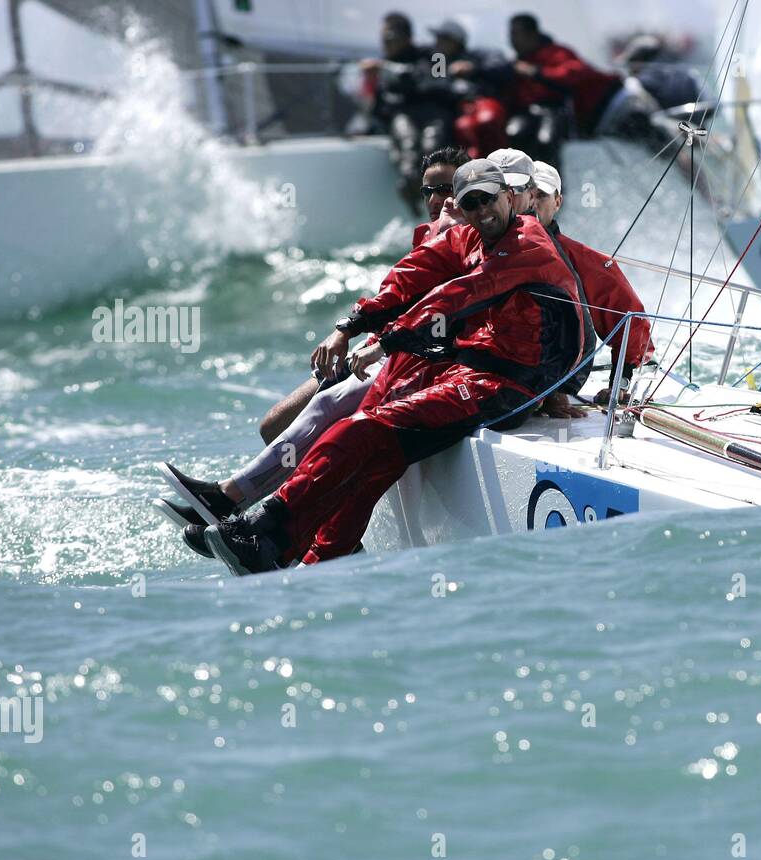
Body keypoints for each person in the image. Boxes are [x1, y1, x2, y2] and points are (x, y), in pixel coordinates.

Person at [185, 159, 589, 574]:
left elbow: (459, 294)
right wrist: (352, 325)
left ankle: (263, 527)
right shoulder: (467, 236)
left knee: (361, 428)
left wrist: (383, 342)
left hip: (511, 387)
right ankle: (308, 558)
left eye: (489, 198)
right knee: (378, 458)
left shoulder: (528, 244)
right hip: (469, 370)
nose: (482, 210)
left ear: (508, 197)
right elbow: (411, 275)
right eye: (470, 203)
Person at [153, 148, 471, 535]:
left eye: (449, 188)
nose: (439, 199)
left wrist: (356, 335)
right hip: (385, 350)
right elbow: (399, 297)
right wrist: (356, 337)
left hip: (423, 362)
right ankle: (256, 518)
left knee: (327, 409)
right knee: (275, 424)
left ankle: (244, 510)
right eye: (430, 191)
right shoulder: (430, 235)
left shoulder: (472, 237)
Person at [528, 160, 653, 415]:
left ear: (558, 202)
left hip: (545, 389)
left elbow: (631, 319)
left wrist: (620, 383)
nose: (532, 202)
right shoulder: (475, 244)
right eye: (526, 194)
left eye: (540, 195)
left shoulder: (583, 259)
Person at [364, 13, 459, 210]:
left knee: (431, 147)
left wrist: (390, 70)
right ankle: (416, 201)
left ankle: (442, 199)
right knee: (408, 151)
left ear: (406, 37)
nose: (386, 44)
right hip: (403, 115)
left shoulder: (433, 55)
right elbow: (380, 106)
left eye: (390, 38)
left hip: (433, 113)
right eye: (383, 40)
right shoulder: (384, 67)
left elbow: (439, 83)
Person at [502, 13, 625, 165]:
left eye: (516, 34)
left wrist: (536, 72)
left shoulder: (557, 52)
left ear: (531, 34)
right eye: (511, 34)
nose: (512, 40)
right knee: (513, 135)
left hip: (558, 111)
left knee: (545, 140)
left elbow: (574, 74)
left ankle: (552, 186)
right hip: (528, 114)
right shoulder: (516, 62)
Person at [431, 20, 511, 157]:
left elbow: (502, 69)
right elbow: (432, 85)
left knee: (487, 119)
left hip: (481, 106)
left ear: (456, 41)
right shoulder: (436, 62)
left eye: (443, 39)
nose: (438, 43)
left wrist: (473, 69)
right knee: (461, 127)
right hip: (455, 113)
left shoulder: (478, 55)